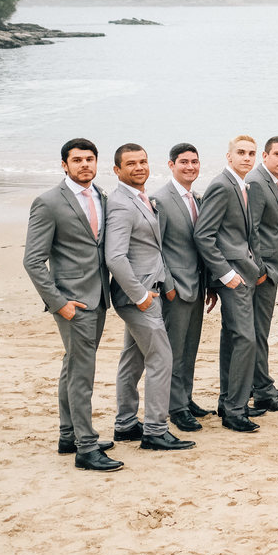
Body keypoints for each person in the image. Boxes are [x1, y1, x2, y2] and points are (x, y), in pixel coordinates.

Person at [23, 138, 120, 470]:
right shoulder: (48, 202)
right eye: (77, 160)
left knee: (73, 366)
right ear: (64, 164)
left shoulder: (102, 196)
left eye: (90, 159)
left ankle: (69, 435)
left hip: (100, 296)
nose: (85, 165)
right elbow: (33, 261)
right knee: (82, 372)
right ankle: (86, 447)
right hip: (72, 302)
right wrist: (58, 303)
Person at [105, 143, 194, 452]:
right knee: (161, 358)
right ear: (117, 170)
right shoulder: (120, 204)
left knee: (133, 359)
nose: (139, 167)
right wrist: (141, 296)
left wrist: (165, 282)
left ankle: (126, 423)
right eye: (131, 163)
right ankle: (156, 430)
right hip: (137, 297)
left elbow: (152, 248)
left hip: (151, 289)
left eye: (143, 161)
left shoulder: (142, 198)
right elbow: (115, 258)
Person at [193, 135, 264, 433]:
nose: (247, 158)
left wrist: (255, 267)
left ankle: (227, 401)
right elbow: (203, 235)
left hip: (244, 272)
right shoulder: (222, 185)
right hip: (231, 277)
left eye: (251, 153)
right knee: (246, 339)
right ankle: (235, 411)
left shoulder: (241, 185)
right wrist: (224, 274)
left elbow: (244, 234)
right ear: (229, 156)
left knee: (232, 339)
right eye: (241, 153)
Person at [153, 142, 216, 432]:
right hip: (175, 287)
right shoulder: (161, 200)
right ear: (171, 165)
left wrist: (210, 284)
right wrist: (167, 285)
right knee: (174, 351)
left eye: (194, 161)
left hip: (198, 284)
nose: (190, 167)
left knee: (190, 348)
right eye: (184, 162)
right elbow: (156, 248)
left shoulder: (197, 199)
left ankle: (186, 398)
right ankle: (174, 407)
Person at [244, 137, 278, 412]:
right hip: (261, 271)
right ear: (264, 156)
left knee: (260, 331)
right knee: (256, 332)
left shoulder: (274, 183)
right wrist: (262, 270)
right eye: (277, 154)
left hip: (271, 268)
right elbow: (250, 230)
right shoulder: (256, 182)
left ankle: (262, 383)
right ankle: (262, 391)